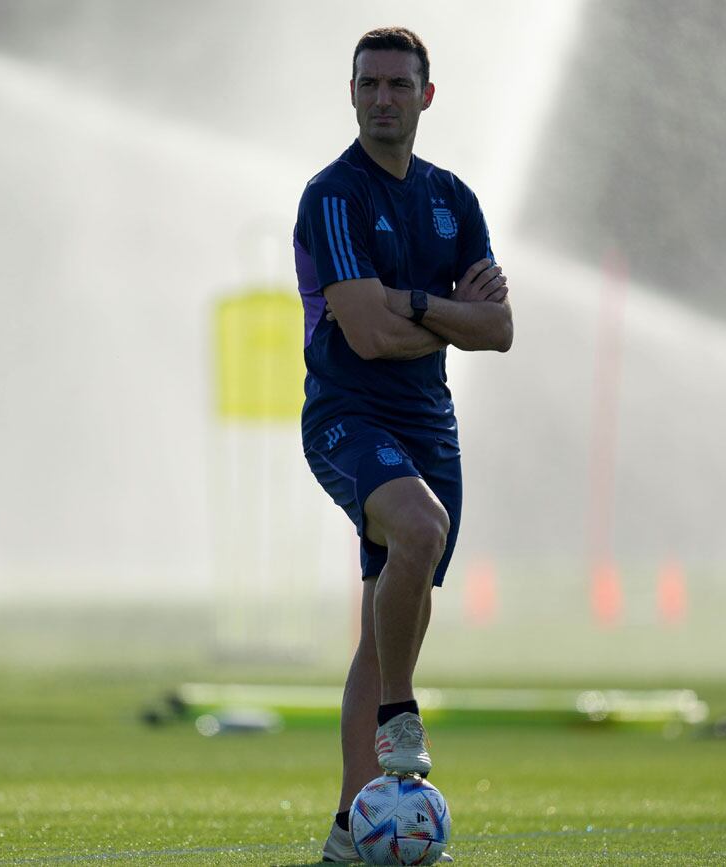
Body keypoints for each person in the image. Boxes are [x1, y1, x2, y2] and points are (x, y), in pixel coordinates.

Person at [292, 26, 514, 863]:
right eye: (368, 84)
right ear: (351, 95)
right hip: (348, 415)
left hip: (431, 423)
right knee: (419, 529)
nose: (382, 98)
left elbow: (498, 327)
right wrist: (441, 314)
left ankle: (353, 827)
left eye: (397, 85)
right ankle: (400, 716)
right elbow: (367, 335)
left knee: (382, 619)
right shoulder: (333, 195)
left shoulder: (452, 198)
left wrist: (412, 303)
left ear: (426, 96)